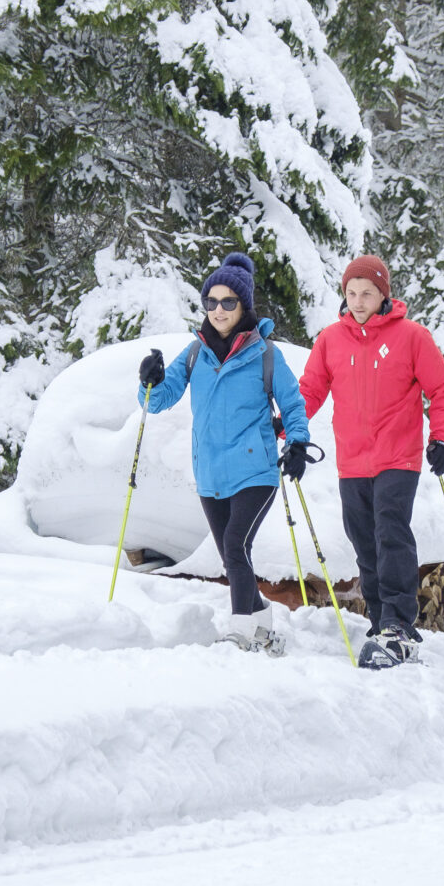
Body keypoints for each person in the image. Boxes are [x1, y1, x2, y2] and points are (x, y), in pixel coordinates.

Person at [137, 252, 311, 655]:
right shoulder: (195, 353)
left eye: (228, 302)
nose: (218, 310)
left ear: (244, 306)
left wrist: (297, 442)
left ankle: (241, 632)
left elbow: (293, 403)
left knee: (235, 546)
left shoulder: (265, 353)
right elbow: (159, 400)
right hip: (211, 474)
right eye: (210, 302)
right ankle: (263, 626)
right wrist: (148, 379)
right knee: (234, 555)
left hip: (256, 471)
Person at [294, 254, 444, 669]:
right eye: (351, 293)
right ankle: (380, 619)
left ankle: (399, 625)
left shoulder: (412, 337)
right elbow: (310, 391)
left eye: (367, 293)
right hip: (352, 461)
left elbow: (440, 390)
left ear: (384, 294)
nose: (358, 301)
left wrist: (442, 439)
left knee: (390, 530)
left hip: (398, 457)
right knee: (363, 537)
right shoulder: (331, 339)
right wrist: (286, 429)